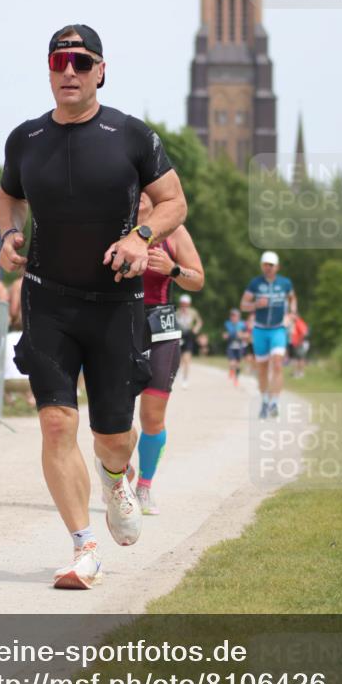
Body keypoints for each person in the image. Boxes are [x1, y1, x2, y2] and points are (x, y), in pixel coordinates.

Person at [0, 23, 186, 589]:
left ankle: (115, 476)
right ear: (49, 71)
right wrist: (9, 234)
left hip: (115, 303)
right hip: (48, 298)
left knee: (114, 437)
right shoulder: (26, 138)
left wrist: (141, 237)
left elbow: (174, 201)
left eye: (81, 62)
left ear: (101, 71)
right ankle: (84, 548)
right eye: (60, 62)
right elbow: (8, 195)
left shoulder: (131, 135)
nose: (70, 72)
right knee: (57, 423)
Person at [132, 191, 204, 515]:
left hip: (161, 326)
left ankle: (144, 486)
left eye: (146, 189)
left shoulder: (174, 231)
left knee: (152, 416)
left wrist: (173, 269)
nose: (140, 195)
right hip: (120, 323)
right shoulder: (115, 225)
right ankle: (117, 473)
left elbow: (197, 279)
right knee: (115, 416)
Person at [240, 251, 297, 419]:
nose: (268, 268)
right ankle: (265, 400)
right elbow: (243, 305)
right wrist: (256, 304)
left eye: (271, 265)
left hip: (278, 329)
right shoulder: (255, 283)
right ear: (261, 266)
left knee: (278, 364)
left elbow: (292, 298)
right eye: (265, 265)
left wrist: (292, 313)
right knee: (262, 368)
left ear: (277, 267)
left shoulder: (285, 283)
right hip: (260, 330)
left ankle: (275, 403)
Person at [175, 294, 202, 388]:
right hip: (179, 335)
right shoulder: (177, 312)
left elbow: (199, 322)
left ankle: (185, 379)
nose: (184, 306)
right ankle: (178, 372)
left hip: (188, 336)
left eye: (186, 304)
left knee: (187, 358)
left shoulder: (193, 312)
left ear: (189, 304)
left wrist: (196, 328)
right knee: (178, 358)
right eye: (182, 304)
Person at [223, 308, 246, 385]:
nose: (234, 317)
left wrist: (242, 335)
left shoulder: (242, 324)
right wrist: (226, 335)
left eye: (235, 316)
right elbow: (225, 334)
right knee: (232, 363)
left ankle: (236, 379)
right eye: (232, 316)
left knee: (237, 364)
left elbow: (246, 334)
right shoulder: (227, 324)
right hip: (230, 345)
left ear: (239, 317)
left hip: (239, 345)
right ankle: (231, 370)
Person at [288, 311, 310, 378]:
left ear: (297, 316)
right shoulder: (293, 323)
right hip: (293, 343)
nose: (291, 317)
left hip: (298, 343)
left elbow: (304, 333)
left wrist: (299, 341)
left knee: (300, 358)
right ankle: (295, 372)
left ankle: (300, 373)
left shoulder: (299, 322)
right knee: (294, 358)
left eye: (293, 315)